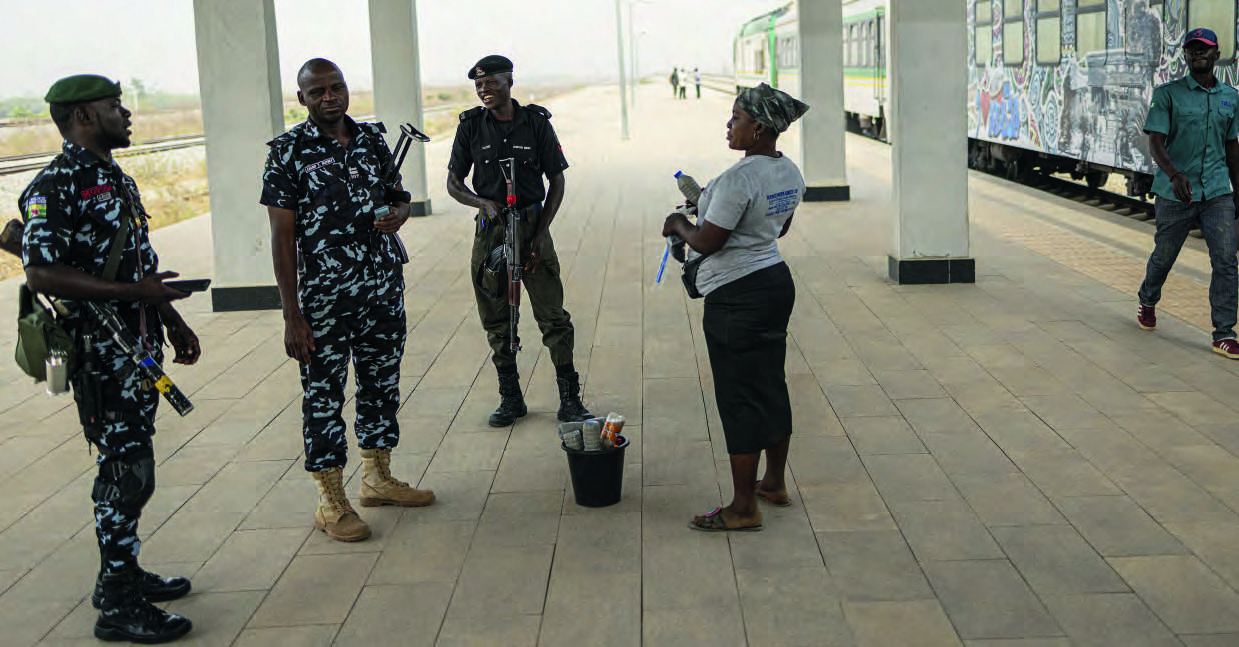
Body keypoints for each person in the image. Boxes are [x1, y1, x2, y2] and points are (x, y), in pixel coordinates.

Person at [19, 74, 200, 643]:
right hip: (102, 352)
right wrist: (135, 298)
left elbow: (136, 263)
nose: (127, 114)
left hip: (137, 343)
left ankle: (120, 575)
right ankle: (118, 605)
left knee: (133, 466)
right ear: (83, 118)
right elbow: (43, 272)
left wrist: (170, 318)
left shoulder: (111, 176)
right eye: (115, 107)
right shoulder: (57, 184)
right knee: (125, 474)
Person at [261, 58, 434, 544]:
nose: (329, 97)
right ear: (302, 99)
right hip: (323, 301)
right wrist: (291, 315)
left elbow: (398, 195)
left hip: (381, 288)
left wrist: (398, 213)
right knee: (323, 396)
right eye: (317, 92)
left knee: (381, 383)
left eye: (336, 87)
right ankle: (330, 501)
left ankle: (377, 478)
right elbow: (281, 237)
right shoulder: (288, 152)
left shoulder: (372, 139)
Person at [663, 82, 808, 532]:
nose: (729, 125)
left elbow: (708, 240)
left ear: (759, 127)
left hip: (736, 297)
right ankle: (774, 482)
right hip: (774, 284)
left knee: (738, 397)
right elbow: (777, 231)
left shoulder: (738, 178)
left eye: (736, 118)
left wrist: (678, 223)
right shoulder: (790, 173)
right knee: (769, 385)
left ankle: (743, 508)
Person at [447, 55, 592, 427]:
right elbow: (453, 183)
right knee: (497, 317)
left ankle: (570, 398)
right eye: (479, 86)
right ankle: (510, 398)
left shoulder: (535, 123)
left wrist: (540, 234)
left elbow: (557, 180)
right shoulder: (470, 127)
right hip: (491, 230)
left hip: (531, 224)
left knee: (553, 315)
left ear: (508, 81)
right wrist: (482, 202)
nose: (484, 90)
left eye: (491, 83)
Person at [1136, 27, 1239, 358]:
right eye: (1192, 49)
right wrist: (1174, 173)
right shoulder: (1167, 94)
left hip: (1218, 191)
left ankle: (1224, 332)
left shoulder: (1231, 97)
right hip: (1175, 192)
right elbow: (1155, 140)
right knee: (1164, 256)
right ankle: (1148, 299)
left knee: (1225, 259)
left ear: (1216, 54)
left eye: (1205, 49)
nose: (1199, 54)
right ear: (1185, 56)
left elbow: (1232, 145)